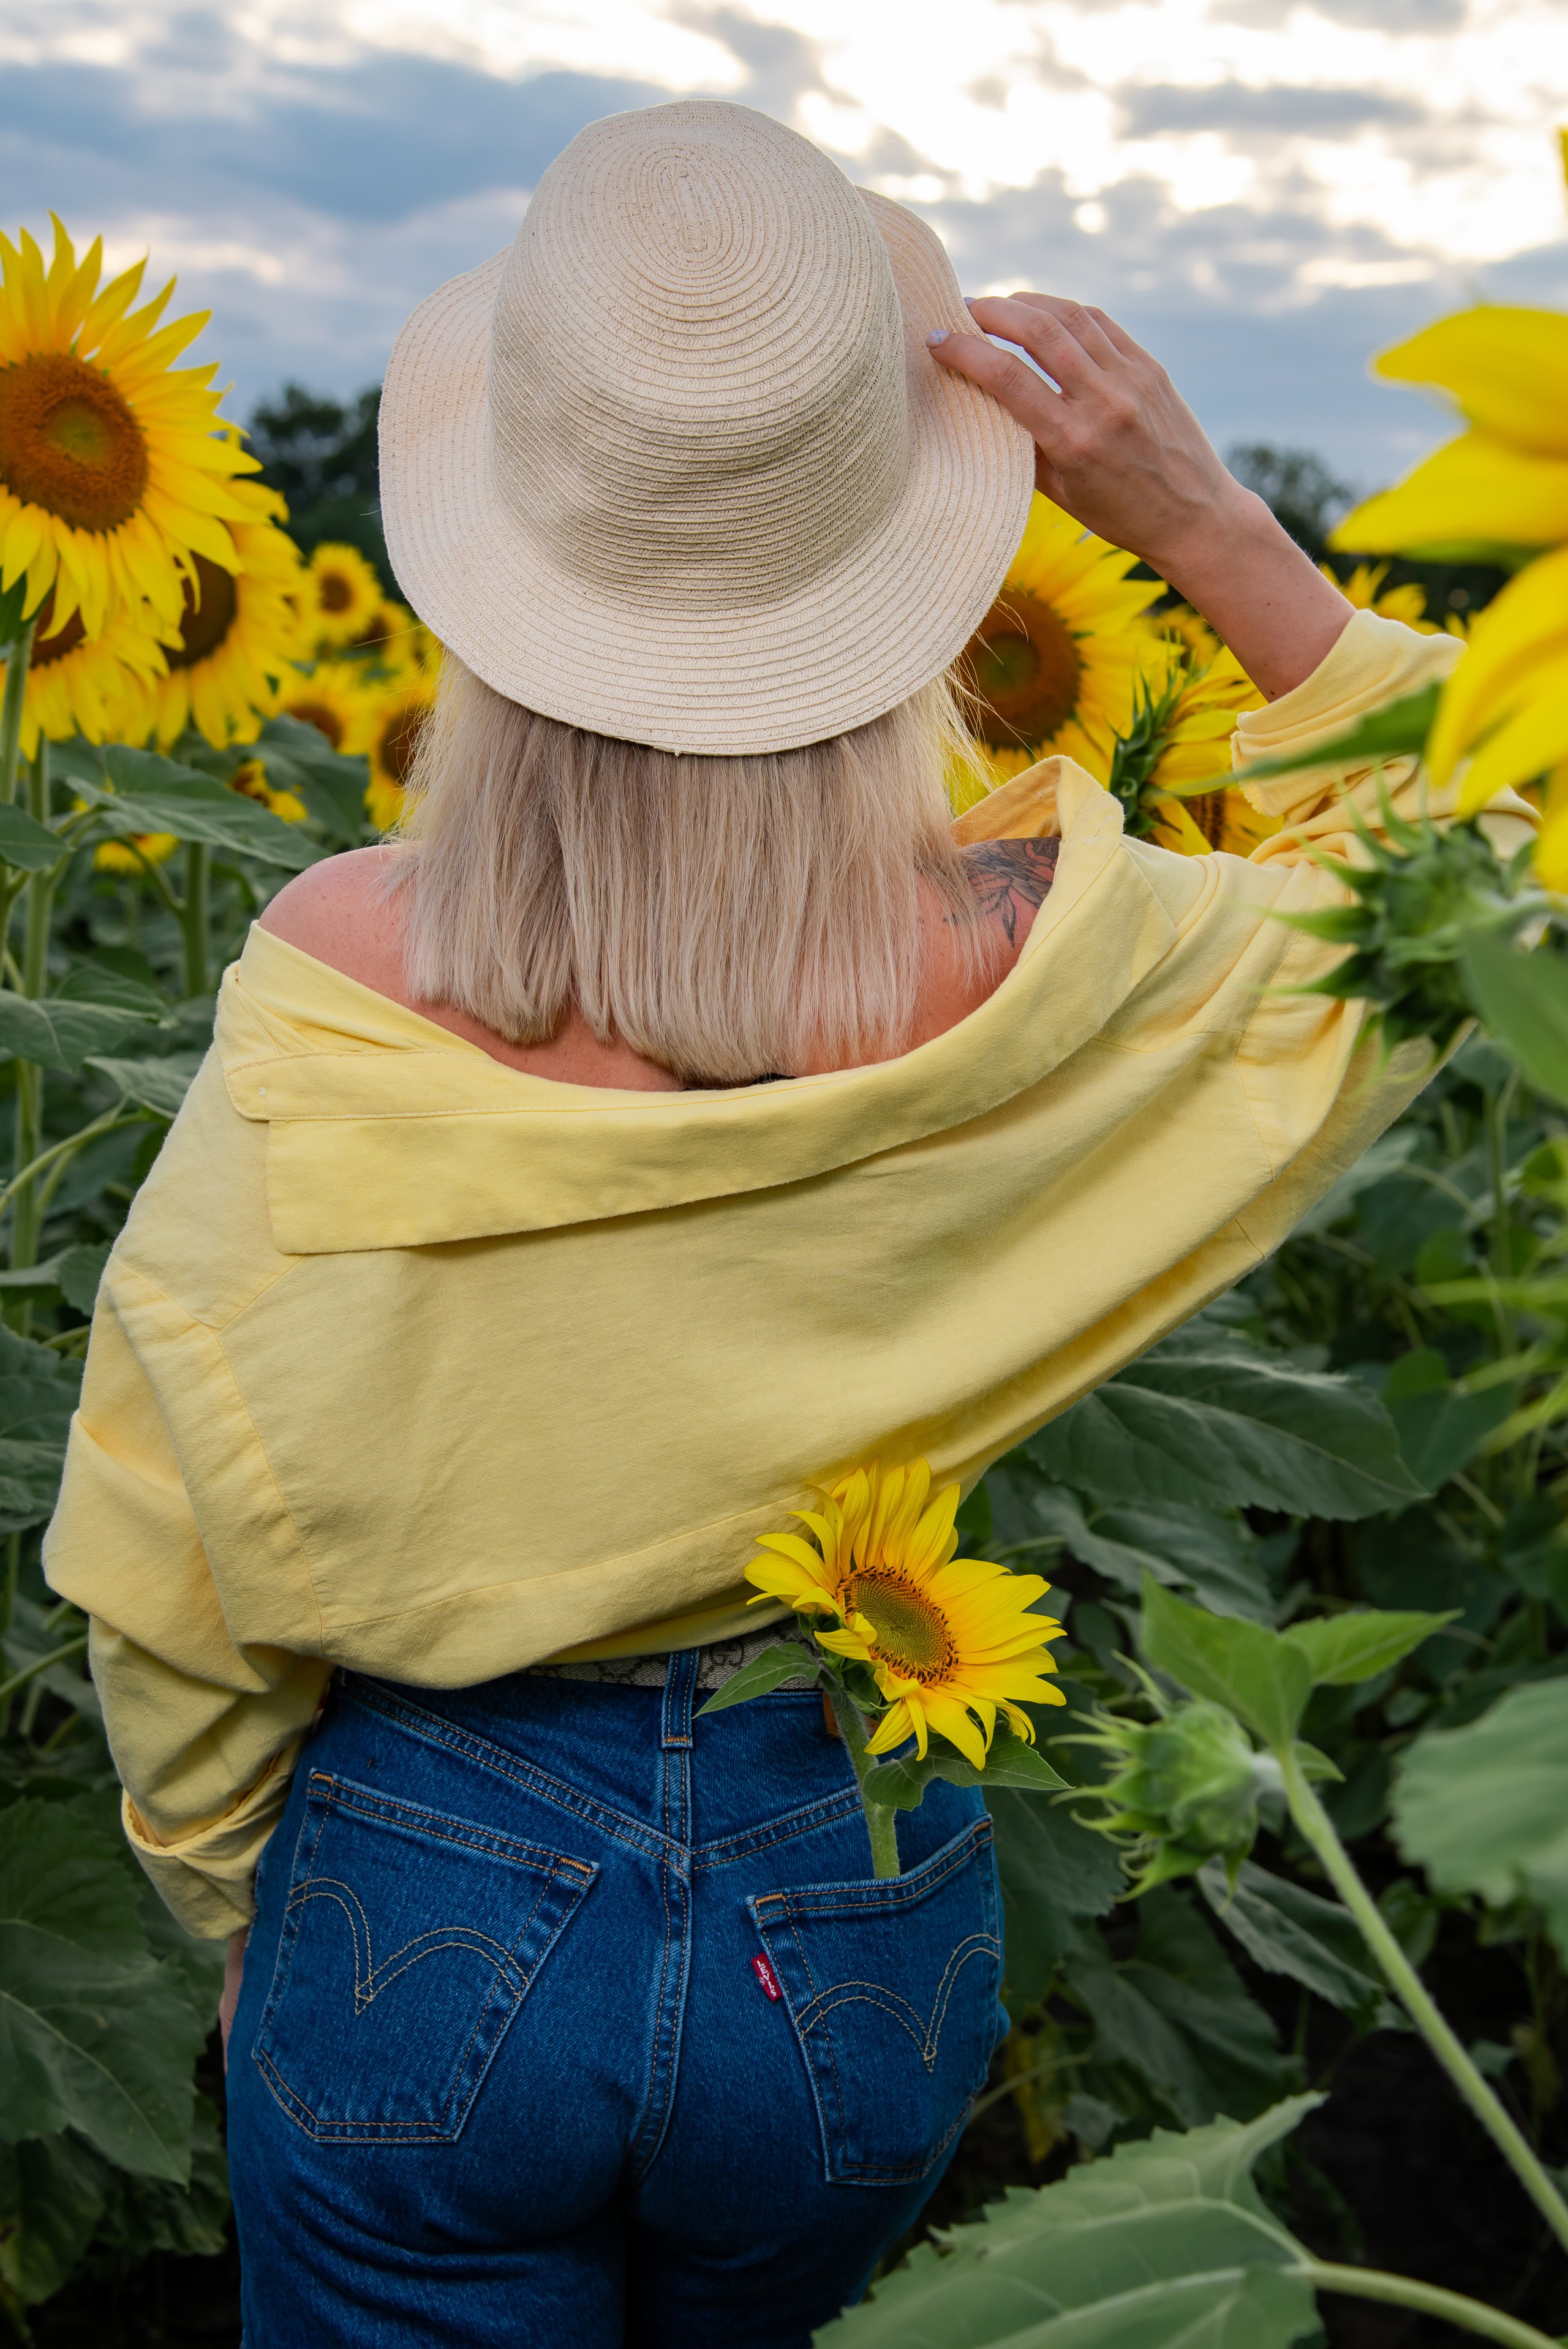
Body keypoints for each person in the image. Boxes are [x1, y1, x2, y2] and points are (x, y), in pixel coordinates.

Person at [45, 97, 1529, 2349]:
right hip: (846, 1879)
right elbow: (1478, 880)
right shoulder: (1066, 974)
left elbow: (163, 1548)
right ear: (901, 555)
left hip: (426, 1859)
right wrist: (1208, 523)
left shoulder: (343, 980)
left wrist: (249, 1915)